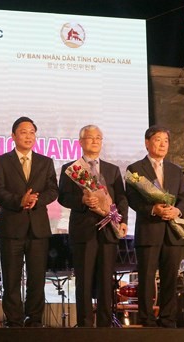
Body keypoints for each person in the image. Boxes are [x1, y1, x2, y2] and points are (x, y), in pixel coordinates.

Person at [0, 116, 58, 327]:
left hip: (38, 228)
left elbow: (53, 190)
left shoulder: (45, 162)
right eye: (23, 132)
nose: (28, 136)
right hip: (11, 227)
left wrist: (36, 200)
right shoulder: (1, 161)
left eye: (32, 132)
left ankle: (34, 319)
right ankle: (14, 320)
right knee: (11, 278)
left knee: (37, 278)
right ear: (13, 136)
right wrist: (20, 200)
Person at [58, 125, 128, 327]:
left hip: (109, 230)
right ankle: (85, 323)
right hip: (84, 230)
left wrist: (122, 221)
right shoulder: (71, 169)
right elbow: (63, 197)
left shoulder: (112, 169)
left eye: (99, 138)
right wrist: (82, 200)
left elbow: (121, 198)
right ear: (81, 142)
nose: (95, 141)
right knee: (85, 279)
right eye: (90, 138)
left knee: (106, 279)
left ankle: (105, 324)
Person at [125, 125, 184, 327]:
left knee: (170, 278)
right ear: (147, 143)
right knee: (146, 277)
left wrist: (177, 211)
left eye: (166, 141)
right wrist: (154, 209)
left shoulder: (175, 170)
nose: (162, 144)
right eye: (158, 140)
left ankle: (168, 319)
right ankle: (147, 318)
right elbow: (133, 199)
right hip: (149, 231)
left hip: (172, 232)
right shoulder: (135, 169)